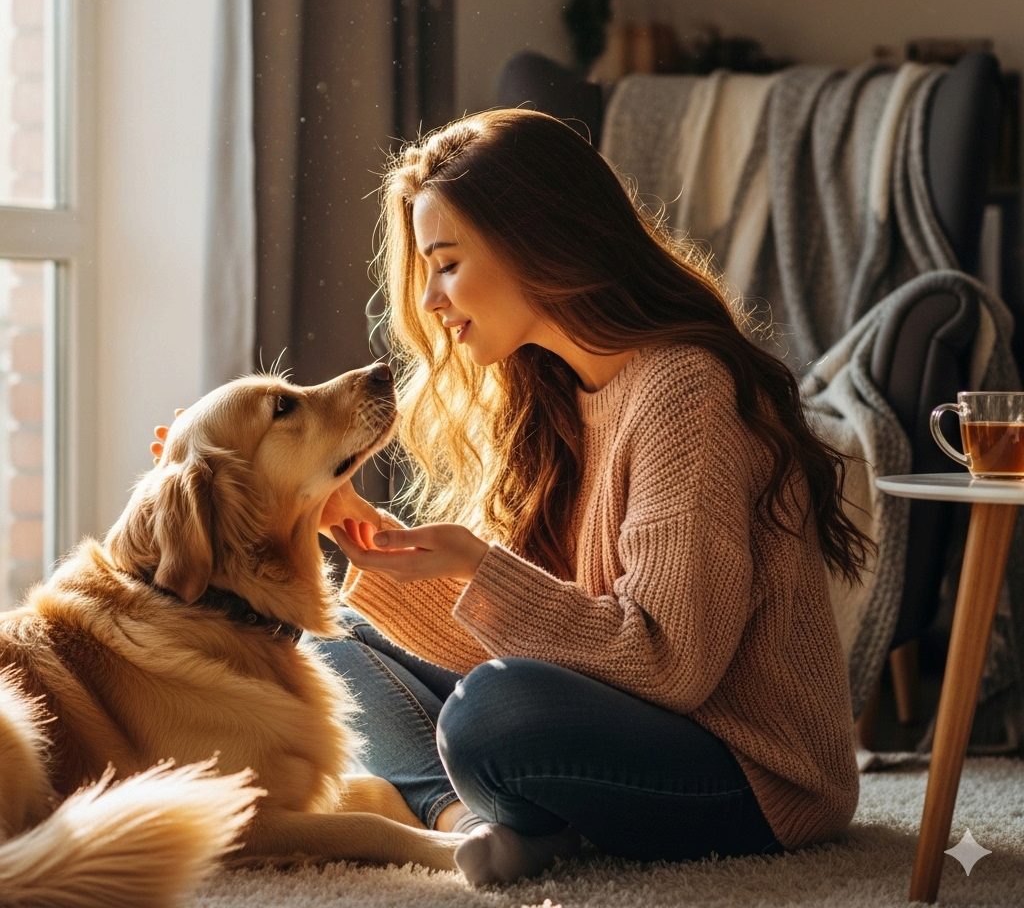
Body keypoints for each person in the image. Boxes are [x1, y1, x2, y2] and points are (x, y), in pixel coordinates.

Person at [163, 109, 867, 885]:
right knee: (332, 635)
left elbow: (669, 667)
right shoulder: (559, 394)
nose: (430, 300)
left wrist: (477, 566)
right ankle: (468, 825)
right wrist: (392, 551)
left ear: (539, 242)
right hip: (627, 713)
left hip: (749, 774)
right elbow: (558, 642)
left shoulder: (682, 389)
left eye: (448, 263)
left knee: (494, 716)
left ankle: (500, 805)